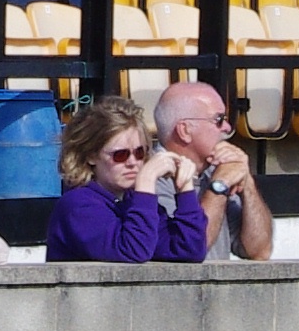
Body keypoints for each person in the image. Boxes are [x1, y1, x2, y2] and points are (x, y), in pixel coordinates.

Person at [44, 96, 208, 262]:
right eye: (120, 155)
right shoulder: (78, 205)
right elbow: (133, 251)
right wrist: (146, 182)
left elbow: (189, 250)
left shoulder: (133, 201)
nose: (132, 163)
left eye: (139, 153)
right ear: (91, 156)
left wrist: (185, 189)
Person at [149, 80, 277, 263]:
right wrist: (219, 187)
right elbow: (190, 247)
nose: (227, 127)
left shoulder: (215, 171)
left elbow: (259, 251)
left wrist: (246, 181)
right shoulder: (151, 178)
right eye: (218, 119)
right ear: (184, 130)